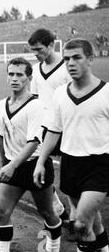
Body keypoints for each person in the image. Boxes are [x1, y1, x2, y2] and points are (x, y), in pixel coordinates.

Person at [33, 39, 109, 252]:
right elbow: (54, 131)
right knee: (94, 223)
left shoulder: (106, 92)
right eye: (66, 59)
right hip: (71, 164)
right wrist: (40, 161)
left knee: (80, 224)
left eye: (77, 57)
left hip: (100, 165)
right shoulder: (60, 94)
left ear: (91, 59)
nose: (70, 63)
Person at [0, 57, 62, 252]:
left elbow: (33, 142)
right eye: (11, 74)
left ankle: (53, 250)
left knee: (47, 212)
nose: (14, 78)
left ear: (29, 78)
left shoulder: (36, 106)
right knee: (1, 212)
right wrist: (4, 164)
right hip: (12, 167)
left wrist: (11, 166)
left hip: (34, 166)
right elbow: (1, 138)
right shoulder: (0, 106)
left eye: (19, 74)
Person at [28, 28, 75, 239]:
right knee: (37, 171)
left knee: (72, 175)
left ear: (51, 45)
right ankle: (57, 210)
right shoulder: (36, 70)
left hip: (67, 128)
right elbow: (34, 100)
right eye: (33, 51)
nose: (36, 54)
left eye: (39, 50)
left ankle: (74, 216)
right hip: (44, 128)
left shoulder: (68, 68)